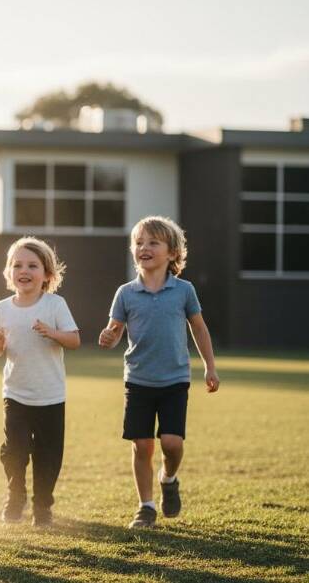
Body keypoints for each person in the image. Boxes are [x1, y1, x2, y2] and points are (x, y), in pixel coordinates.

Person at [99, 216, 219, 529]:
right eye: (139, 242)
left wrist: (209, 366)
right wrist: (109, 336)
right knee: (142, 446)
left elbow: (199, 328)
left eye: (153, 242)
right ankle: (146, 506)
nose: (144, 248)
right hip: (138, 381)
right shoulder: (125, 293)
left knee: (172, 443)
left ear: (172, 253)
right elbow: (114, 330)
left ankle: (169, 478)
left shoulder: (184, 290)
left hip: (174, 380)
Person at [0, 237, 80, 527]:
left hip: (50, 395)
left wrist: (53, 333)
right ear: (8, 272)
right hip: (15, 393)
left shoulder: (55, 304)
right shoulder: (2, 308)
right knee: (13, 450)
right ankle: (15, 495)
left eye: (32, 265)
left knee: (48, 456)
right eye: (17, 265)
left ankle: (43, 507)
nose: (24, 270)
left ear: (47, 275)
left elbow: (74, 340)